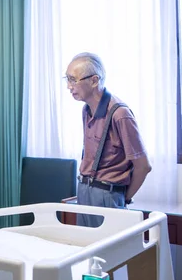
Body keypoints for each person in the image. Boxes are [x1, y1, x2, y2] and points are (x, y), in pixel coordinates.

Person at [65, 52, 152, 227]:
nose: (69, 86)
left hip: (107, 194)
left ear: (94, 80)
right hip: (84, 190)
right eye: (67, 79)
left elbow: (143, 166)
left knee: (109, 253)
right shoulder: (86, 110)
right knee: (84, 248)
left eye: (73, 80)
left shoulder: (120, 114)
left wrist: (122, 198)